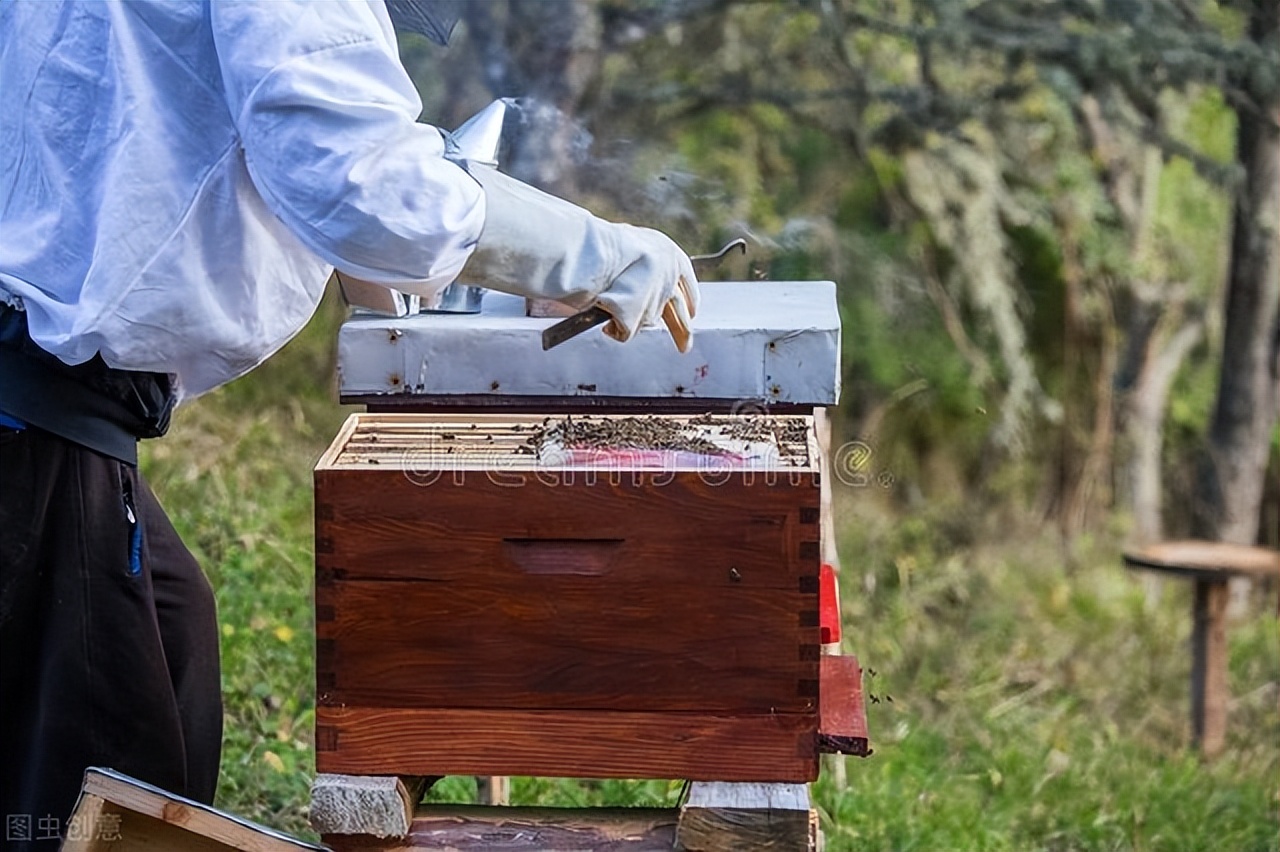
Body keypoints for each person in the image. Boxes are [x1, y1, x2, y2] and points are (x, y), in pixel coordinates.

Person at [0, 1, 700, 846]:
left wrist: (430, 279)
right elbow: (361, 182)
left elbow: (228, 130)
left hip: (51, 401)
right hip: (35, 409)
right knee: (99, 799)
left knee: (172, 641)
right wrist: (601, 252)